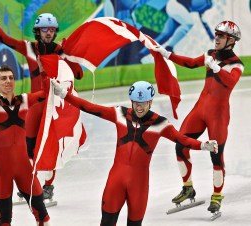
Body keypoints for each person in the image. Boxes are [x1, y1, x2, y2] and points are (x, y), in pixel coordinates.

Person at [51, 79, 218, 225]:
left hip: (139, 185)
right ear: (131, 101)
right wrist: (64, 94)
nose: (140, 107)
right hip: (116, 180)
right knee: (107, 222)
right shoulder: (119, 114)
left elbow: (182, 139)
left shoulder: (160, 123)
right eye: (136, 102)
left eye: (144, 102)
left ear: (150, 102)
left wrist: (203, 145)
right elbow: (91, 108)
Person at [0, 3, 83, 201]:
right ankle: (31, 184)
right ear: (38, 31)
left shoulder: (61, 52)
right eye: (45, 29)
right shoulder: (29, 48)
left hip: (53, 106)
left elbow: (78, 74)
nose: (49, 32)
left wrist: (70, 57)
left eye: (52, 29)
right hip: (34, 105)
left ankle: (48, 186)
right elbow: (4, 39)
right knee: (28, 146)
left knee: (51, 145)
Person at [153, 20, 244, 213]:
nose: (216, 38)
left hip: (217, 116)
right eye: (216, 34)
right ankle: (188, 188)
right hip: (199, 110)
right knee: (180, 145)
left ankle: (217, 196)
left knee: (216, 156)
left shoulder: (236, 64)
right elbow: (190, 63)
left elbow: (231, 82)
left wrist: (217, 68)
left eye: (221, 36)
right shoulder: (210, 54)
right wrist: (168, 54)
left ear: (231, 41)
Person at [0, 64, 50, 226]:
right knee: (5, 219)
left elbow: (46, 93)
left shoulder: (24, 100)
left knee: (43, 215)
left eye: (11, 77)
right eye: (3, 78)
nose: (8, 81)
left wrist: (44, 70)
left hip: (25, 168)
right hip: (1, 171)